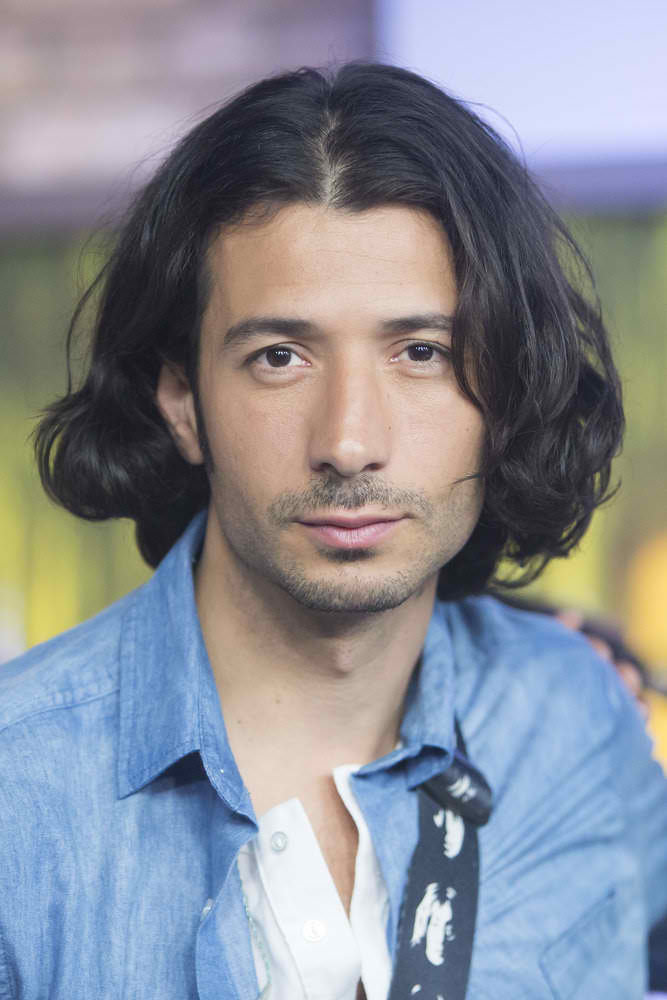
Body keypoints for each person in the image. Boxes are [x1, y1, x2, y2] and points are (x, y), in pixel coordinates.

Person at [1, 62, 665, 999]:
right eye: (280, 357)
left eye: (421, 352)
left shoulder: (574, 720)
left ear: (508, 391)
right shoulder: (18, 787)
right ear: (183, 401)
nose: (349, 442)